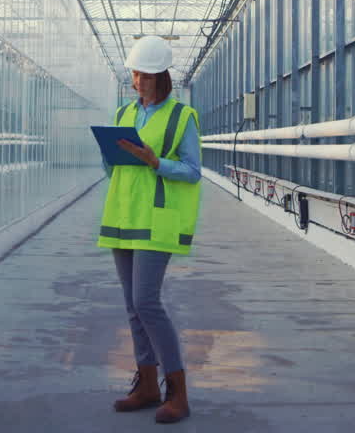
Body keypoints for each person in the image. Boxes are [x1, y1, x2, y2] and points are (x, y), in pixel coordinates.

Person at [98, 35, 202, 425]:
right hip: (123, 215)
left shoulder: (182, 117)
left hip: (156, 219)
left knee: (147, 301)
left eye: (143, 74)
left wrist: (156, 162)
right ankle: (146, 385)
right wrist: (110, 156)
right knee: (131, 305)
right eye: (134, 73)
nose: (136, 80)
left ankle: (178, 391)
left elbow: (192, 171)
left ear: (161, 77)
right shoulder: (124, 113)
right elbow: (112, 169)